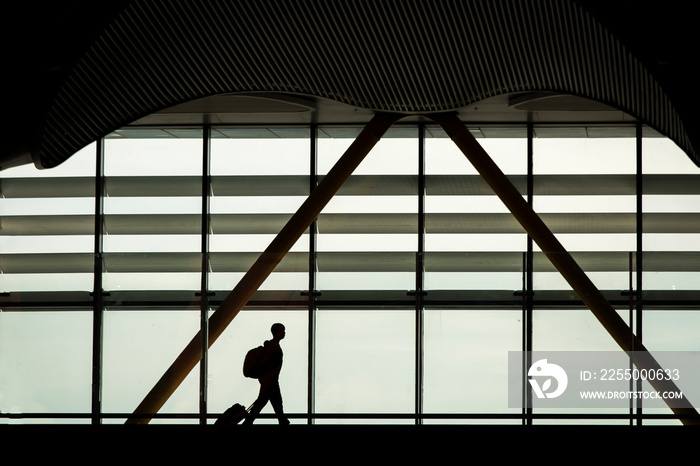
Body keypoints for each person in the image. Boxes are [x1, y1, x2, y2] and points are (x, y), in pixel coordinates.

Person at [243, 323, 290, 425]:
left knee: (268, 402)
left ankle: (282, 420)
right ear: (276, 332)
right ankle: (282, 421)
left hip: (270, 380)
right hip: (271, 381)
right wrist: (268, 381)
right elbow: (269, 366)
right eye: (282, 330)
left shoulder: (272, 346)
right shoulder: (273, 347)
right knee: (270, 402)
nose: (284, 333)